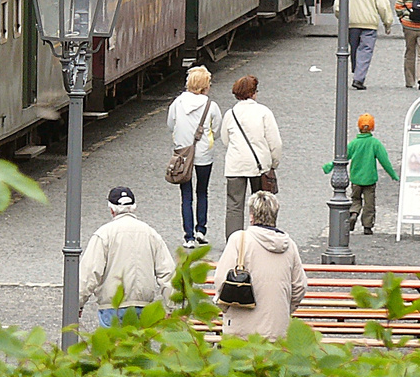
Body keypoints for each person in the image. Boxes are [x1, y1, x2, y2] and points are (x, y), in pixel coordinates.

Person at [210, 190, 307, 341]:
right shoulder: (289, 245)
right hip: (277, 328)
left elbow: (221, 280)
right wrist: (284, 311)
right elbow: (299, 286)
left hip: (241, 328)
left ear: (252, 216)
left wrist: (225, 308)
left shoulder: (239, 239)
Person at [78, 186, 175, 327]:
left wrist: (78, 303)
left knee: (113, 346)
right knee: (138, 346)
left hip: (112, 305)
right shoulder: (150, 233)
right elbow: (167, 272)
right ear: (134, 207)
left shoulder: (103, 234)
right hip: (143, 305)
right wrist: (170, 306)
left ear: (111, 209)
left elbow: (89, 273)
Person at [166, 66, 223, 249]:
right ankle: (201, 229)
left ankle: (188, 236)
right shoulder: (210, 106)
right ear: (205, 86)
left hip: (183, 154)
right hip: (204, 153)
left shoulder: (177, 103)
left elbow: (170, 124)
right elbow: (217, 129)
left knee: (186, 195)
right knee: (202, 191)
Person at [221, 75, 282, 239]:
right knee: (262, 204)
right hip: (259, 165)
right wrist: (273, 163)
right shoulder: (263, 112)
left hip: (235, 164)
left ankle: (234, 241)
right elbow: (274, 142)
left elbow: (225, 139)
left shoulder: (230, 113)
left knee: (234, 205)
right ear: (254, 93)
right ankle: (262, 236)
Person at [322, 113, 399, 235]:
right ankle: (367, 226)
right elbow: (385, 161)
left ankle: (353, 214)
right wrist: (393, 175)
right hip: (369, 179)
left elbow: (343, 157)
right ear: (372, 128)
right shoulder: (375, 143)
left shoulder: (354, 143)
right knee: (369, 203)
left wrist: (329, 166)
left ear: (358, 127)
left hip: (356, 178)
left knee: (355, 199)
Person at [346, 0, 393, 90]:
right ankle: (359, 78)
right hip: (369, 24)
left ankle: (357, 71)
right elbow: (383, 6)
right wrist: (387, 23)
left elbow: (338, 6)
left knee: (354, 48)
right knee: (366, 50)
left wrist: (344, 19)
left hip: (351, 24)